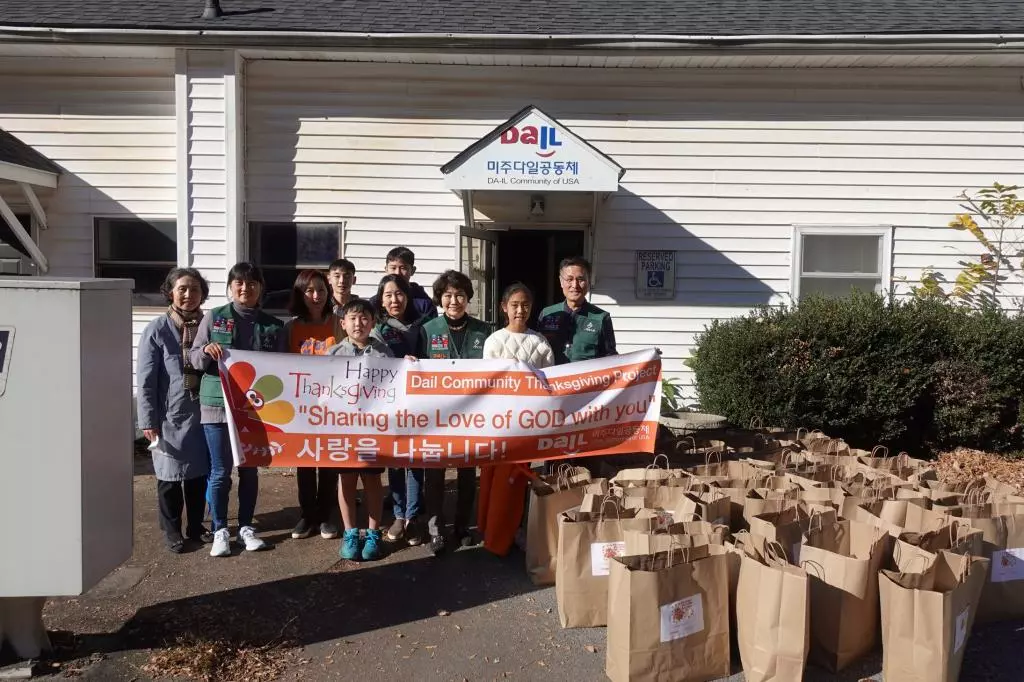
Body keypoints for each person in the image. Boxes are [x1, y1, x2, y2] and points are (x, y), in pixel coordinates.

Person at [190, 262, 285, 558]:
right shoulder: (214, 317)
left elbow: (284, 367)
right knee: (220, 471)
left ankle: (246, 527)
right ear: (231, 287)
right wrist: (206, 351)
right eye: (240, 283)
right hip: (217, 405)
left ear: (261, 288)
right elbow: (194, 357)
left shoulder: (273, 325)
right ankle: (220, 529)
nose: (246, 288)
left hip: (256, 408)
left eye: (252, 283)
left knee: (250, 470)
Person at [136, 267, 213, 553]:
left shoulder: (208, 325)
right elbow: (145, 380)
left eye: (195, 289)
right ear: (171, 291)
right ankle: (171, 530)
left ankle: (195, 526)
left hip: (201, 412)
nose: (189, 295)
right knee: (169, 478)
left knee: (196, 475)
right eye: (182, 288)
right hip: (168, 415)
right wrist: (147, 419)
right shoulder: (156, 329)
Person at [478, 283, 555, 556]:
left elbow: (551, 382)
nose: (520, 310)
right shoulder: (494, 341)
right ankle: (494, 534)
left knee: (521, 478)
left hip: (529, 423)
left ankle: (517, 529)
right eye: (514, 305)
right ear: (504, 308)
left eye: (525, 305)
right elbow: (489, 383)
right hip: (501, 424)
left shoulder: (540, 343)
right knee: (497, 480)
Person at [420, 270, 493, 555]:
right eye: (448, 295)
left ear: (468, 298)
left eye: (460, 295)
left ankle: (463, 525)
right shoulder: (427, 330)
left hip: (472, 416)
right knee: (435, 475)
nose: (454, 301)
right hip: (436, 416)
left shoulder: (483, 331)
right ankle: (435, 530)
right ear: (440, 298)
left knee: (466, 473)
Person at [326, 298, 397, 561]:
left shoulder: (384, 353)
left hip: (372, 430)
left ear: (373, 322)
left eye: (364, 318)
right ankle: (350, 533)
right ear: (343, 323)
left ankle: (373, 533)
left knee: (372, 480)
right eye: (353, 318)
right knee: (345, 480)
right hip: (343, 429)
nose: (359, 323)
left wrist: (410, 365)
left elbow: (397, 385)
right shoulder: (332, 355)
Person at [537, 256, 617, 475]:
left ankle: (584, 502)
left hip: (587, 401)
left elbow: (611, 358)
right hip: (555, 399)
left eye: (581, 279)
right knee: (555, 457)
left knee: (586, 458)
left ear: (588, 282)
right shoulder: (547, 314)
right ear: (560, 282)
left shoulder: (601, 318)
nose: (575, 285)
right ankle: (555, 499)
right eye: (569, 279)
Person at [284, 269, 343, 541]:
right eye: (310, 291)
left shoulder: (338, 324)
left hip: (333, 405)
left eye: (321, 289)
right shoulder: (291, 327)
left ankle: (327, 515)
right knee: (305, 460)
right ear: (300, 294)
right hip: (302, 406)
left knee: (329, 461)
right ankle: (307, 515)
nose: (316, 296)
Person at [372, 274, 430, 545]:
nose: (394, 300)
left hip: (420, 404)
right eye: (388, 295)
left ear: (407, 297)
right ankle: (397, 514)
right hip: (390, 406)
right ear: (381, 300)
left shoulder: (425, 326)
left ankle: (413, 517)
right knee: (395, 460)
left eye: (399, 294)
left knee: (416, 461)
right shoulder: (377, 329)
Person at [368, 246, 437, 320]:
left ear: (413, 270)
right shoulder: (375, 302)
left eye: (403, 268)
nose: (398, 273)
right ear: (386, 269)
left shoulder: (424, 304)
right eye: (393, 268)